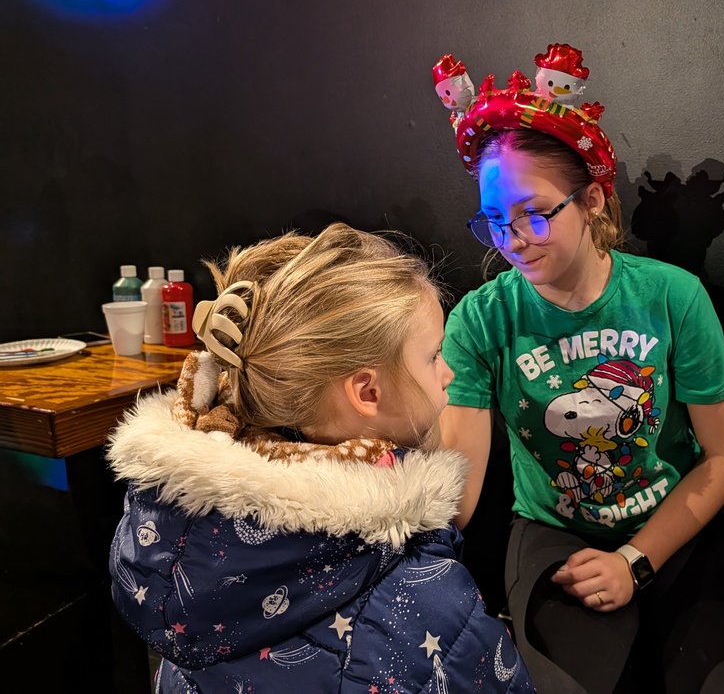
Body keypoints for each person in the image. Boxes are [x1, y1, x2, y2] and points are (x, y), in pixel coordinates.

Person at [432, 45, 724, 693]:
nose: (513, 239)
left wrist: (637, 560)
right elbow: (457, 485)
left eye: (534, 212)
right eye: (495, 220)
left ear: (593, 201)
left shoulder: (671, 297)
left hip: (676, 523)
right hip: (554, 533)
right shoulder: (481, 317)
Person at [106, 223, 534, 693]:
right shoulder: (430, 606)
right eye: (433, 357)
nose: (447, 371)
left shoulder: (168, 555)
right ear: (368, 391)